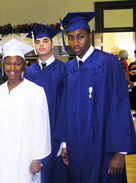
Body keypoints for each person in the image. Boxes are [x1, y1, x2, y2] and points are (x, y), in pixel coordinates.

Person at [57, 12, 136, 183]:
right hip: (77, 147)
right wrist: (65, 144)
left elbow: (120, 106)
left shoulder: (108, 62)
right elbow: (65, 109)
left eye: (80, 37)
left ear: (90, 36)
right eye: (70, 38)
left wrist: (120, 152)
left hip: (104, 146)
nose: (75, 43)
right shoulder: (69, 68)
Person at [0, 39, 51, 183]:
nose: (13, 68)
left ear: (24, 65)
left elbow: (42, 128)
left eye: (17, 64)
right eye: (8, 63)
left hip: (25, 154)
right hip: (2, 152)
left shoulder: (35, 91)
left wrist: (37, 158)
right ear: (2, 65)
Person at [24, 24, 70, 183]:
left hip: (56, 133)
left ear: (52, 44)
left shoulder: (64, 70)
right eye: (37, 42)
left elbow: (67, 107)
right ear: (34, 46)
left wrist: (65, 142)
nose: (41, 44)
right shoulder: (29, 72)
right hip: (34, 134)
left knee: (57, 176)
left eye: (45, 41)